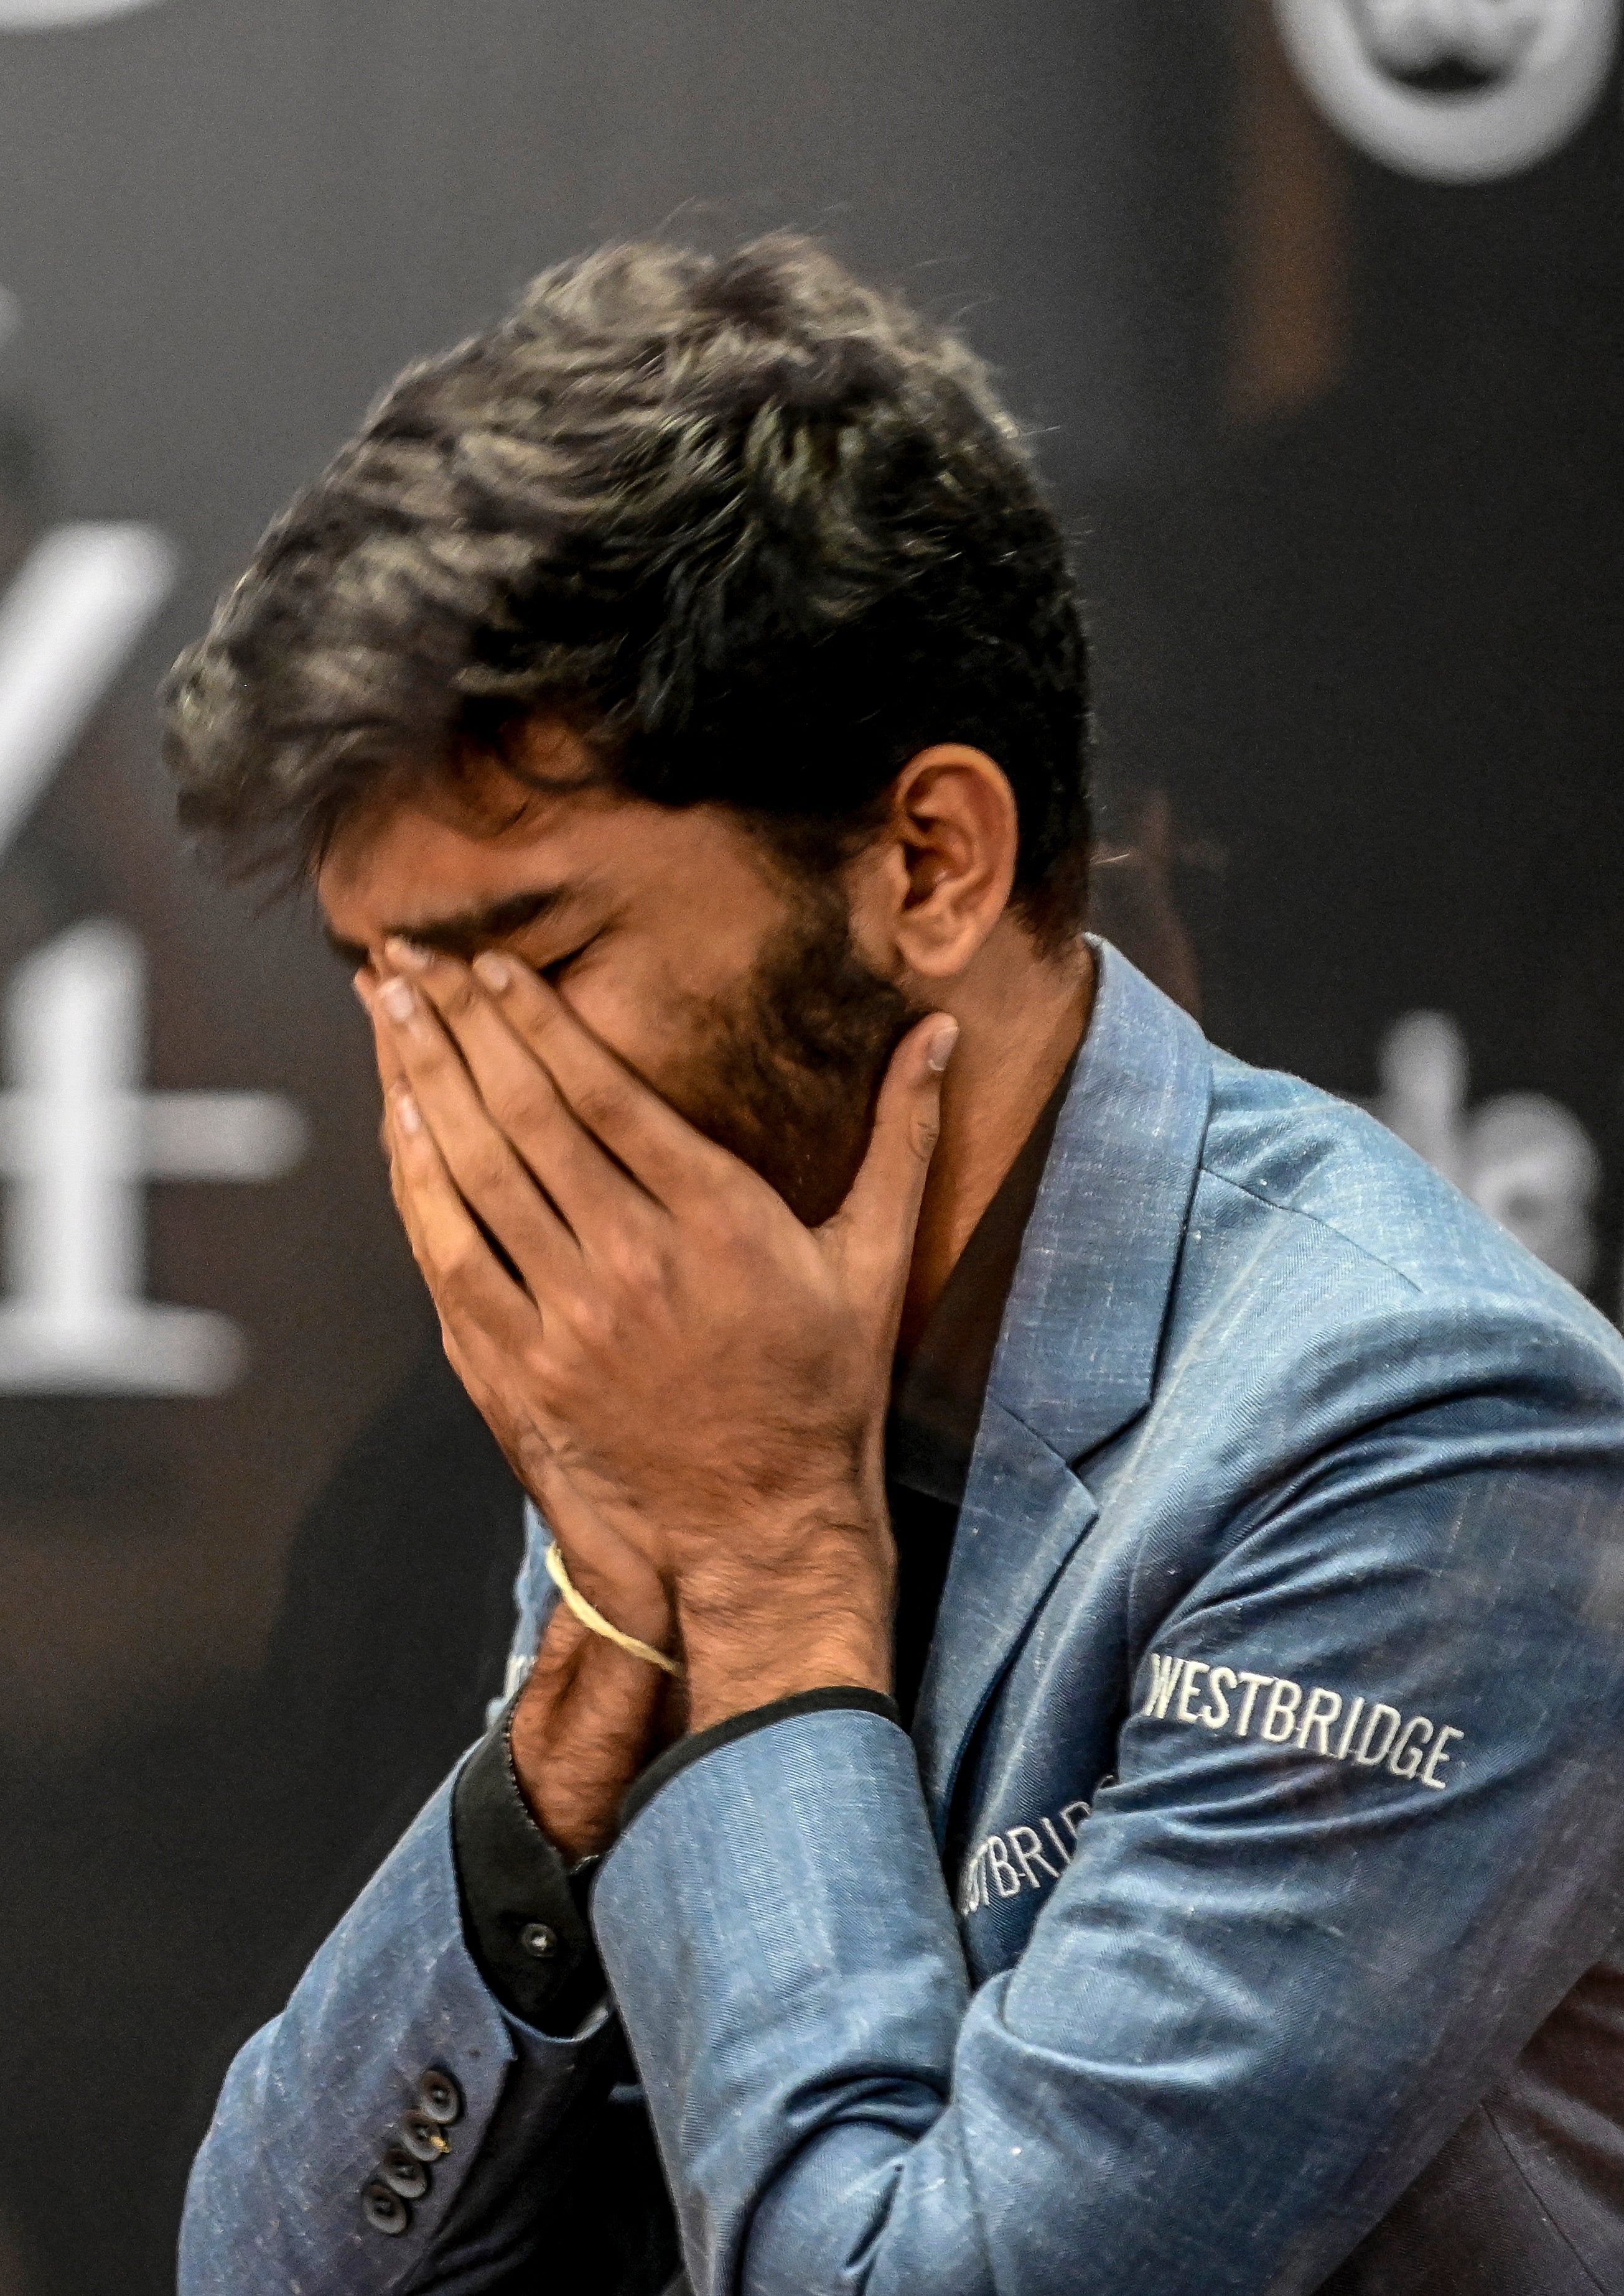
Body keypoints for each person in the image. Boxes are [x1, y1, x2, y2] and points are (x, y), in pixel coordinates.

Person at [162, 236, 1624, 2292]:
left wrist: (756, 1559)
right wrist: (597, 1679)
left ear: (925, 862)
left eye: (537, 963)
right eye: (387, 997)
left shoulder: (1420, 1434)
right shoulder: (702, 1325)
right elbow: (274, 2270)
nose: (462, 1106)